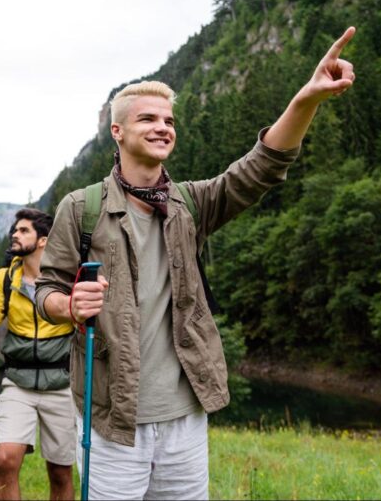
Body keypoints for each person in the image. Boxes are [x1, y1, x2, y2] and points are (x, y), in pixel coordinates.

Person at [35, 28, 357, 499]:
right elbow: (44, 289)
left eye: (168, 119)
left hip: (186, 414)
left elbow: (261, 166)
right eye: (148, 118)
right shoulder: (80, 209)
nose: (163, 126)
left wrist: (306, 99)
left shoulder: (189, 203)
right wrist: (67, 305)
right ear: (117, 131)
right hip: (112, 417)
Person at [0, 208, 77, 500]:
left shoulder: (67, 276)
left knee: (60, 471)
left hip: (62, 381)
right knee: (5, 459)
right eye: (14, 230)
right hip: (17, 380)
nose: (14, 235)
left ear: (43, 240)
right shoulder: (4, 279)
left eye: (23, 231)